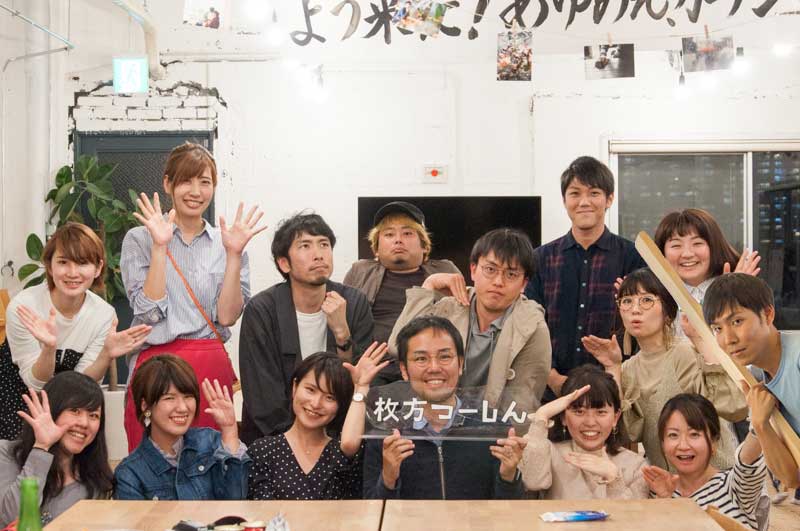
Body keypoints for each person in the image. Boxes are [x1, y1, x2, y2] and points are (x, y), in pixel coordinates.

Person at [121, 142, 266, 451]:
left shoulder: (227, 243)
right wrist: (160, 246)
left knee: (211, 458)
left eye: (205, 181)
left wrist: (234, 255)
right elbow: (148, 312)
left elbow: (227, 316)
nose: (196, 191)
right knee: (152, 460)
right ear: (168, 183)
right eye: (186, 180)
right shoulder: (139, 239)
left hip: (209, 370)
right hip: (156, 368)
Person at [582, 268, 747, 471]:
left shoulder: (684, 353)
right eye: (627, 301)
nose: (635, 309)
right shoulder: (627, 369)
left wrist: (699, 339)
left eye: (646, 300)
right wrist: (613, 367)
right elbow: (624, 433)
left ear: (667, 313)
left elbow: (732, 406)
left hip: (714, 478)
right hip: (668, 484)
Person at [3, 223, 150, 440]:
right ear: (50, 266)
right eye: (63, 262)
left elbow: (83, 385)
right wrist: (49, 348)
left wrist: (105, 355)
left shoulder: (103, 314)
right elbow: (35, 384)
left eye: (83, 263)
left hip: (71, 403)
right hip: (18, 399)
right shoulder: (24, 307)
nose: (73, 273)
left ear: (98, 268)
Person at [238, 212, 374, 444]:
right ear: (284, 263)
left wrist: (342, 334)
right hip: (274, 440)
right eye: (305, 246)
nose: (318, 254)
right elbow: (263, 395)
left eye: (324, 244)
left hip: (339, 437)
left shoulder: (354, 303)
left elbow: (359, 382)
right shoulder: (262, 310)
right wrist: (299, 447)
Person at [388, 228, 550, 416]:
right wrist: (429, 285)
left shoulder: (532, 327)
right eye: (490, 270)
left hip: (492, 425)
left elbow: (522, 404)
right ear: (473, 270)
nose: (498, 281)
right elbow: (397, 347)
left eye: (511, 274)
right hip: (436, 417)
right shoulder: (449, 308)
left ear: (524, 284)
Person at [364, 316, 525, 500]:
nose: (434, 368)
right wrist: (388, 478)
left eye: (445, 357)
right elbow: (371, 510)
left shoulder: (493, 427)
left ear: (461, 364)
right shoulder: (386, 433)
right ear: (404, 370)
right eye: (421, 358)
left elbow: (510, 511)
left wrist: (508, 476)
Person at [525, 156, 645, 402]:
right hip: (550, 391)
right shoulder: (540, 258)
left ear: (609, 199)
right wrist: (554, 379)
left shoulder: (632, 257)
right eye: (575, 193)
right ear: (564, 200)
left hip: (615, 390)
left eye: (594, 193)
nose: (584, 202)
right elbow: (528, 325)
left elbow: (643, 327)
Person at [248, 343, 389, 500]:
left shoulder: (341, 452)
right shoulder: (263, 451)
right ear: (295, 387)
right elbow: (260, 507)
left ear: (340, 405)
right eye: (310, 390)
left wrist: (361, 387)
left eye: (329, 397)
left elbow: (349, 444)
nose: (316, 404)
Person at [343, 201, 459, 384]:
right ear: (376, 248)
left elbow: (464, 319)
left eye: (407, 233)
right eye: (389, 234)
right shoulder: (360, 271)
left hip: (430, 365)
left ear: (424, 245)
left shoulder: (445, 270)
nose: (398, 240)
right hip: (375, 366)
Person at [704, 273, 800, 489]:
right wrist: (760, 423)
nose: (729, 339)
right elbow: (790, 479)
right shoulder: (757, 377)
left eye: (737, 321)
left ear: (768, 314)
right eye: (718, 329)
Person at [114, 354, 250, 500]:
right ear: (145, 406)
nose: (183, 407)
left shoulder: (211, 442)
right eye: (169, 398)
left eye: (188, 396)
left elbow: (236, 501)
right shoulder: (130, 473)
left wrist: (229, 430)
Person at [0, 372, 113, 526]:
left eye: (93, 415)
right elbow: (12, 520)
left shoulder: (96, 480)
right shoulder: (6, 452)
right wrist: (42, 447)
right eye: (75, 410)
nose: (84, 423)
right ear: (51, 411)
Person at [520, 364, 648, 499]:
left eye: (601, 412)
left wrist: (614, 480)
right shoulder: (548, 452)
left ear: (616, 418)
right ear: (563, 417)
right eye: (579, 412)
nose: (590, 422)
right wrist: (541, 415)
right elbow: (533, 482)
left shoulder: (636, 465)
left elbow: (636, 512)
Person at [643, 394, 768, 531]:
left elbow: (747, 462)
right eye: (673, 435)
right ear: (663, 444)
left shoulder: (733, 487)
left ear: (714, 442)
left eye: (694, 434)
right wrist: (664, 500)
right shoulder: (660, 489)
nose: (683, 445)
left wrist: (758, 422)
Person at [654, 208, 761, 338]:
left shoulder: (742, 287)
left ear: (714, 246)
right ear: (662, 253)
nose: (687, 254)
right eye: (676, 245)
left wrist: (733, 295)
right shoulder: (655, 295)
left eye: (697, 243)